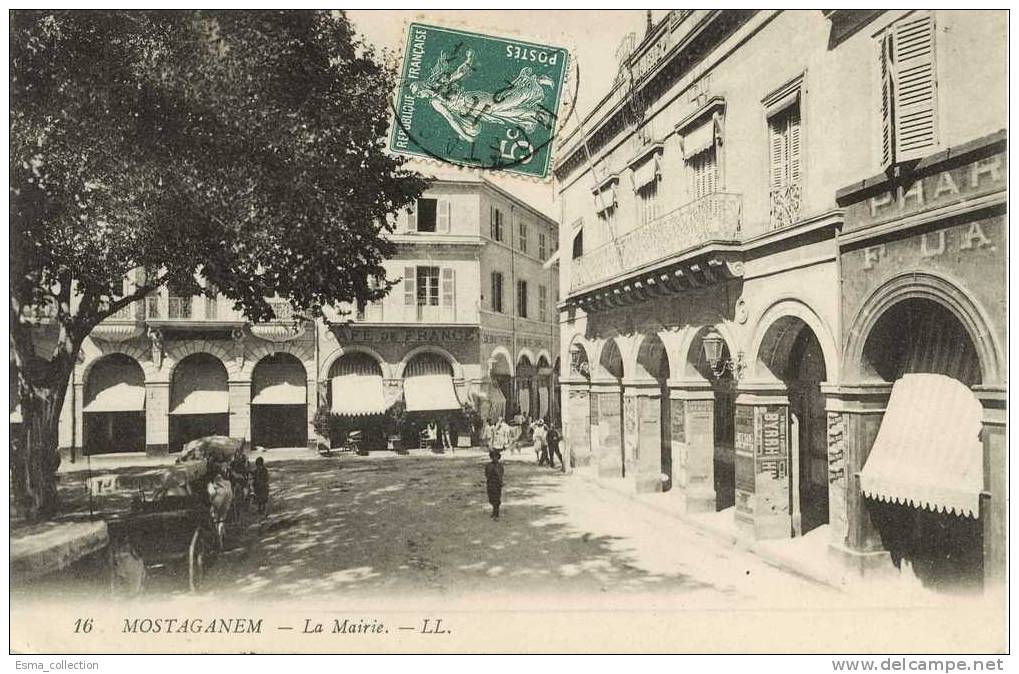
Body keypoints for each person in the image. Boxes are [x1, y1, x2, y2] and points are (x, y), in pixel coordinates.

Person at [484, 450, 505, 520]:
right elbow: (486, 474)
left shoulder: (500, 466)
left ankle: (496, 513)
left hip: (497, 484)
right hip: (490, 483)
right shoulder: (488, 465)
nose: (494, 458)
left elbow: (501, 475)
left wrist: (500, 482)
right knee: (491, 498)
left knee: (497, 498)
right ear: (491, 457)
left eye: (496, 457)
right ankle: (494, 511)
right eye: (493, 457)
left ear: (498, 458)